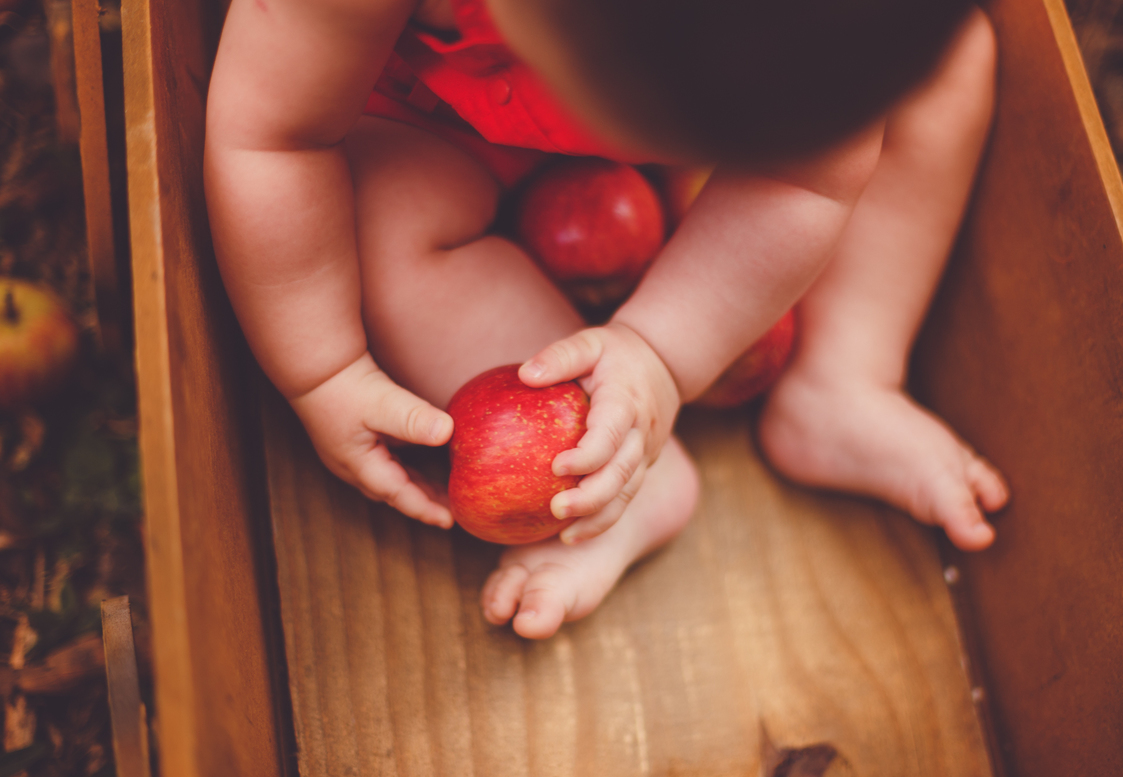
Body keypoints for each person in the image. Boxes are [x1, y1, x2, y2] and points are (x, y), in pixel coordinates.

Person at [204, 0, 1008, 640]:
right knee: (372, 220)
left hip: (741, 79)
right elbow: (275, 141)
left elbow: (805, 184)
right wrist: (322, 366)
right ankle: (613, 469)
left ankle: (845, 373)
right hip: (436, 109)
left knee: (950, 61)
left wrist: (659, 350)